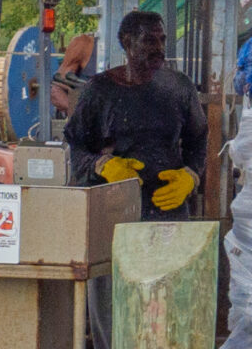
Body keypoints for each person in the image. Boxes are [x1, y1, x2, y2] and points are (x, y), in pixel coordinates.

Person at [68, 11, 206, 211]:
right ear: (127, 42)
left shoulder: (179, 87)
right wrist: (102, 165)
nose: (158, 48)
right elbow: (77, 148)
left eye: (162, 39)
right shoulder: (100, 89)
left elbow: (199, 140)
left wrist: (191, 176)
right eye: (149, 40)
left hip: (168, 207)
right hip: (115, 208)